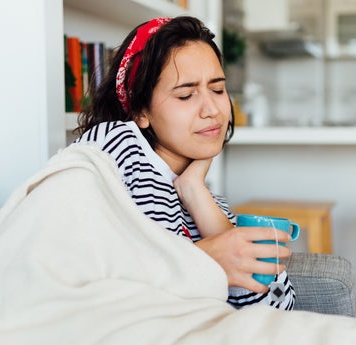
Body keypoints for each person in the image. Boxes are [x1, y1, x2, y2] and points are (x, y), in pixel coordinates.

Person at [71, 16, 295, 310]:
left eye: (217, 90)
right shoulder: (114, 145)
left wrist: (194, 192)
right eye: (186, 95)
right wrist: (204, 260)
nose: (212, 109)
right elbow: (92, 285)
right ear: (140, 111)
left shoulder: (205, 201)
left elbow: (277, 308)